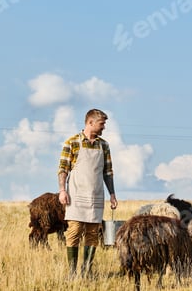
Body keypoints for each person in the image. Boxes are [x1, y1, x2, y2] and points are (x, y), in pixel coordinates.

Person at [57, 108, 118, 278]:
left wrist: (112, 194)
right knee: (74, 232)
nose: (104, 127)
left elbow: (108, 171)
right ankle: (72, 272)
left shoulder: (104, 145)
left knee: (93, 234)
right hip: (76, 196)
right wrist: (62, 190)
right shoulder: (72, 143)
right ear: (90, 122)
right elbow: (63, 169)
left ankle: (87, 271)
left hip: (96, 195)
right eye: (102, 124)